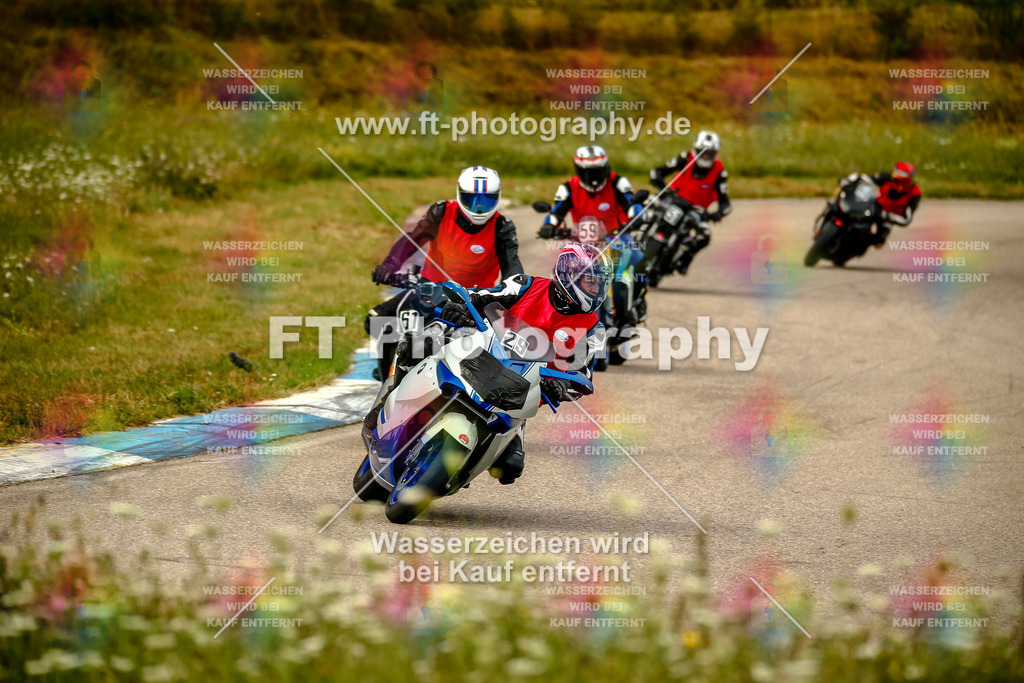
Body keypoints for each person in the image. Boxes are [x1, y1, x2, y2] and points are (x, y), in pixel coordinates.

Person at [372, 243, 612, 485]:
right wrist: (459, 307)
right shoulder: (525, 284)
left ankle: (453, 472)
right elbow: (481, 297)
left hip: (517, 396)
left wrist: (561, 385)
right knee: (414, 348)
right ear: (568, 275)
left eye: (599, 284)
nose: (596, 289)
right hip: (476, 356)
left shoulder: (594, 329)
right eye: (590, 281)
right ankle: (385, 406)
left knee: (510, 468)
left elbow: (583, 374)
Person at [365, 166, 523, 375]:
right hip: (428, 289)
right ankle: (385, 377)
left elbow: (512, 265)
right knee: (376, 320)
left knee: (477, 346)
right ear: (459, 195)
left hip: (473, 301)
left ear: (497, 198)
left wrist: (513, 291)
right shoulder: (441, 212)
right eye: (471, 199)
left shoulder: (502, 226)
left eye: (485, 200)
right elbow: (412, 240)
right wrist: (389, 266)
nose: (477, 208)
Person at [537, 146, 647, 339]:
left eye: (596, 170)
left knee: (636, 260)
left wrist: (636, 215)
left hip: (616, 236)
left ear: (605, 167)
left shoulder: (617, 183)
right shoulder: (568, 188)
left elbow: (631, 203)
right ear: (579, 170)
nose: (592, 176)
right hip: (582, 243)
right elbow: (555, 213)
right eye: (587, 171)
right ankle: (558, 321)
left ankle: (632, 310)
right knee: (559, 273)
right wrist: (549, 226)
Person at [649, 130, 732, 273]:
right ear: (696, 150)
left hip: (696, 211)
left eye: (709, 153)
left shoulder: (720, 172)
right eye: (702, 152)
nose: (705, 156)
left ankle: (684, 260)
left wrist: (717, 214)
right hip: (673, 199)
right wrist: (662, 186)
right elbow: (659, 171)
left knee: (704, 236)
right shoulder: (686, 158)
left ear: (716, 153)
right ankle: (635, 239)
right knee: (647, 210)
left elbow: (725, 203)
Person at [870, 161, 921, 247]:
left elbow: (906, 219)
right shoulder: (886, 178)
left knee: (879, 242)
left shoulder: (914, 192)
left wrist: (887, 216)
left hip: (889, 218)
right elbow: (867, 181)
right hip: (874, 209)